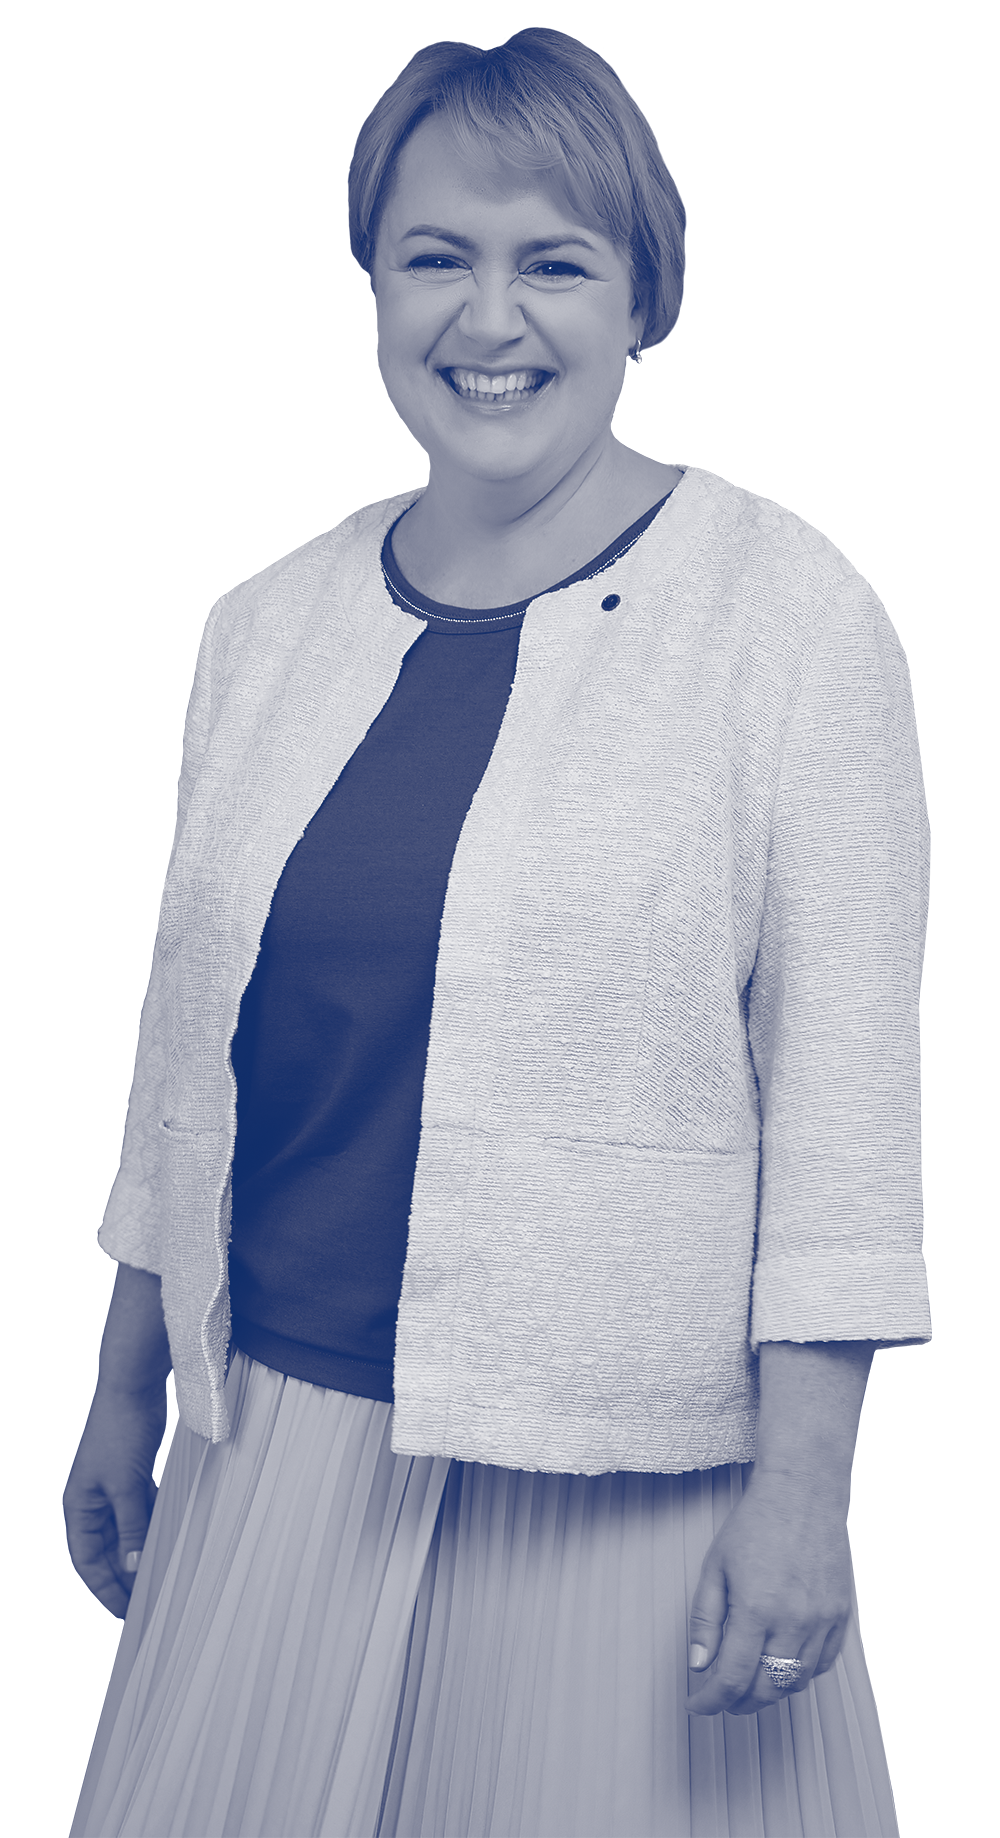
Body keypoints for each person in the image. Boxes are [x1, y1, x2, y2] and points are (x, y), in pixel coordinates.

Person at [65, 29, 930, 1838]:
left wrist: (809, 1488)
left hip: (615, 1479)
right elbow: (186, 1055)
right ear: (370, 297)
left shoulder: (785, 615)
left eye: (555, 262)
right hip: (272, 1441)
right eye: (436, 256)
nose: (490, 316)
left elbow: (848, 1097)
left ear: (643, 308)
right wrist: (125, 1386)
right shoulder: (266, 626)